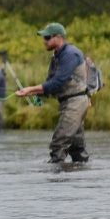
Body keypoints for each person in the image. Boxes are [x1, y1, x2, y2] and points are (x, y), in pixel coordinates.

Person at [14, 22, 91, 165]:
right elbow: (50, 84)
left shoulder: (71, 54)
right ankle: (81, 179)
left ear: (59, 37)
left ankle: (55, 182)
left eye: (47, 37)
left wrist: (30, 89)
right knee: (76, 148)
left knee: (58, 143)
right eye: (44, 38)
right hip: (67, 103)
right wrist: (34, 93)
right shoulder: (56, 57)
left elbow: (57, 82)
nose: (44, 41)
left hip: (76, 103)